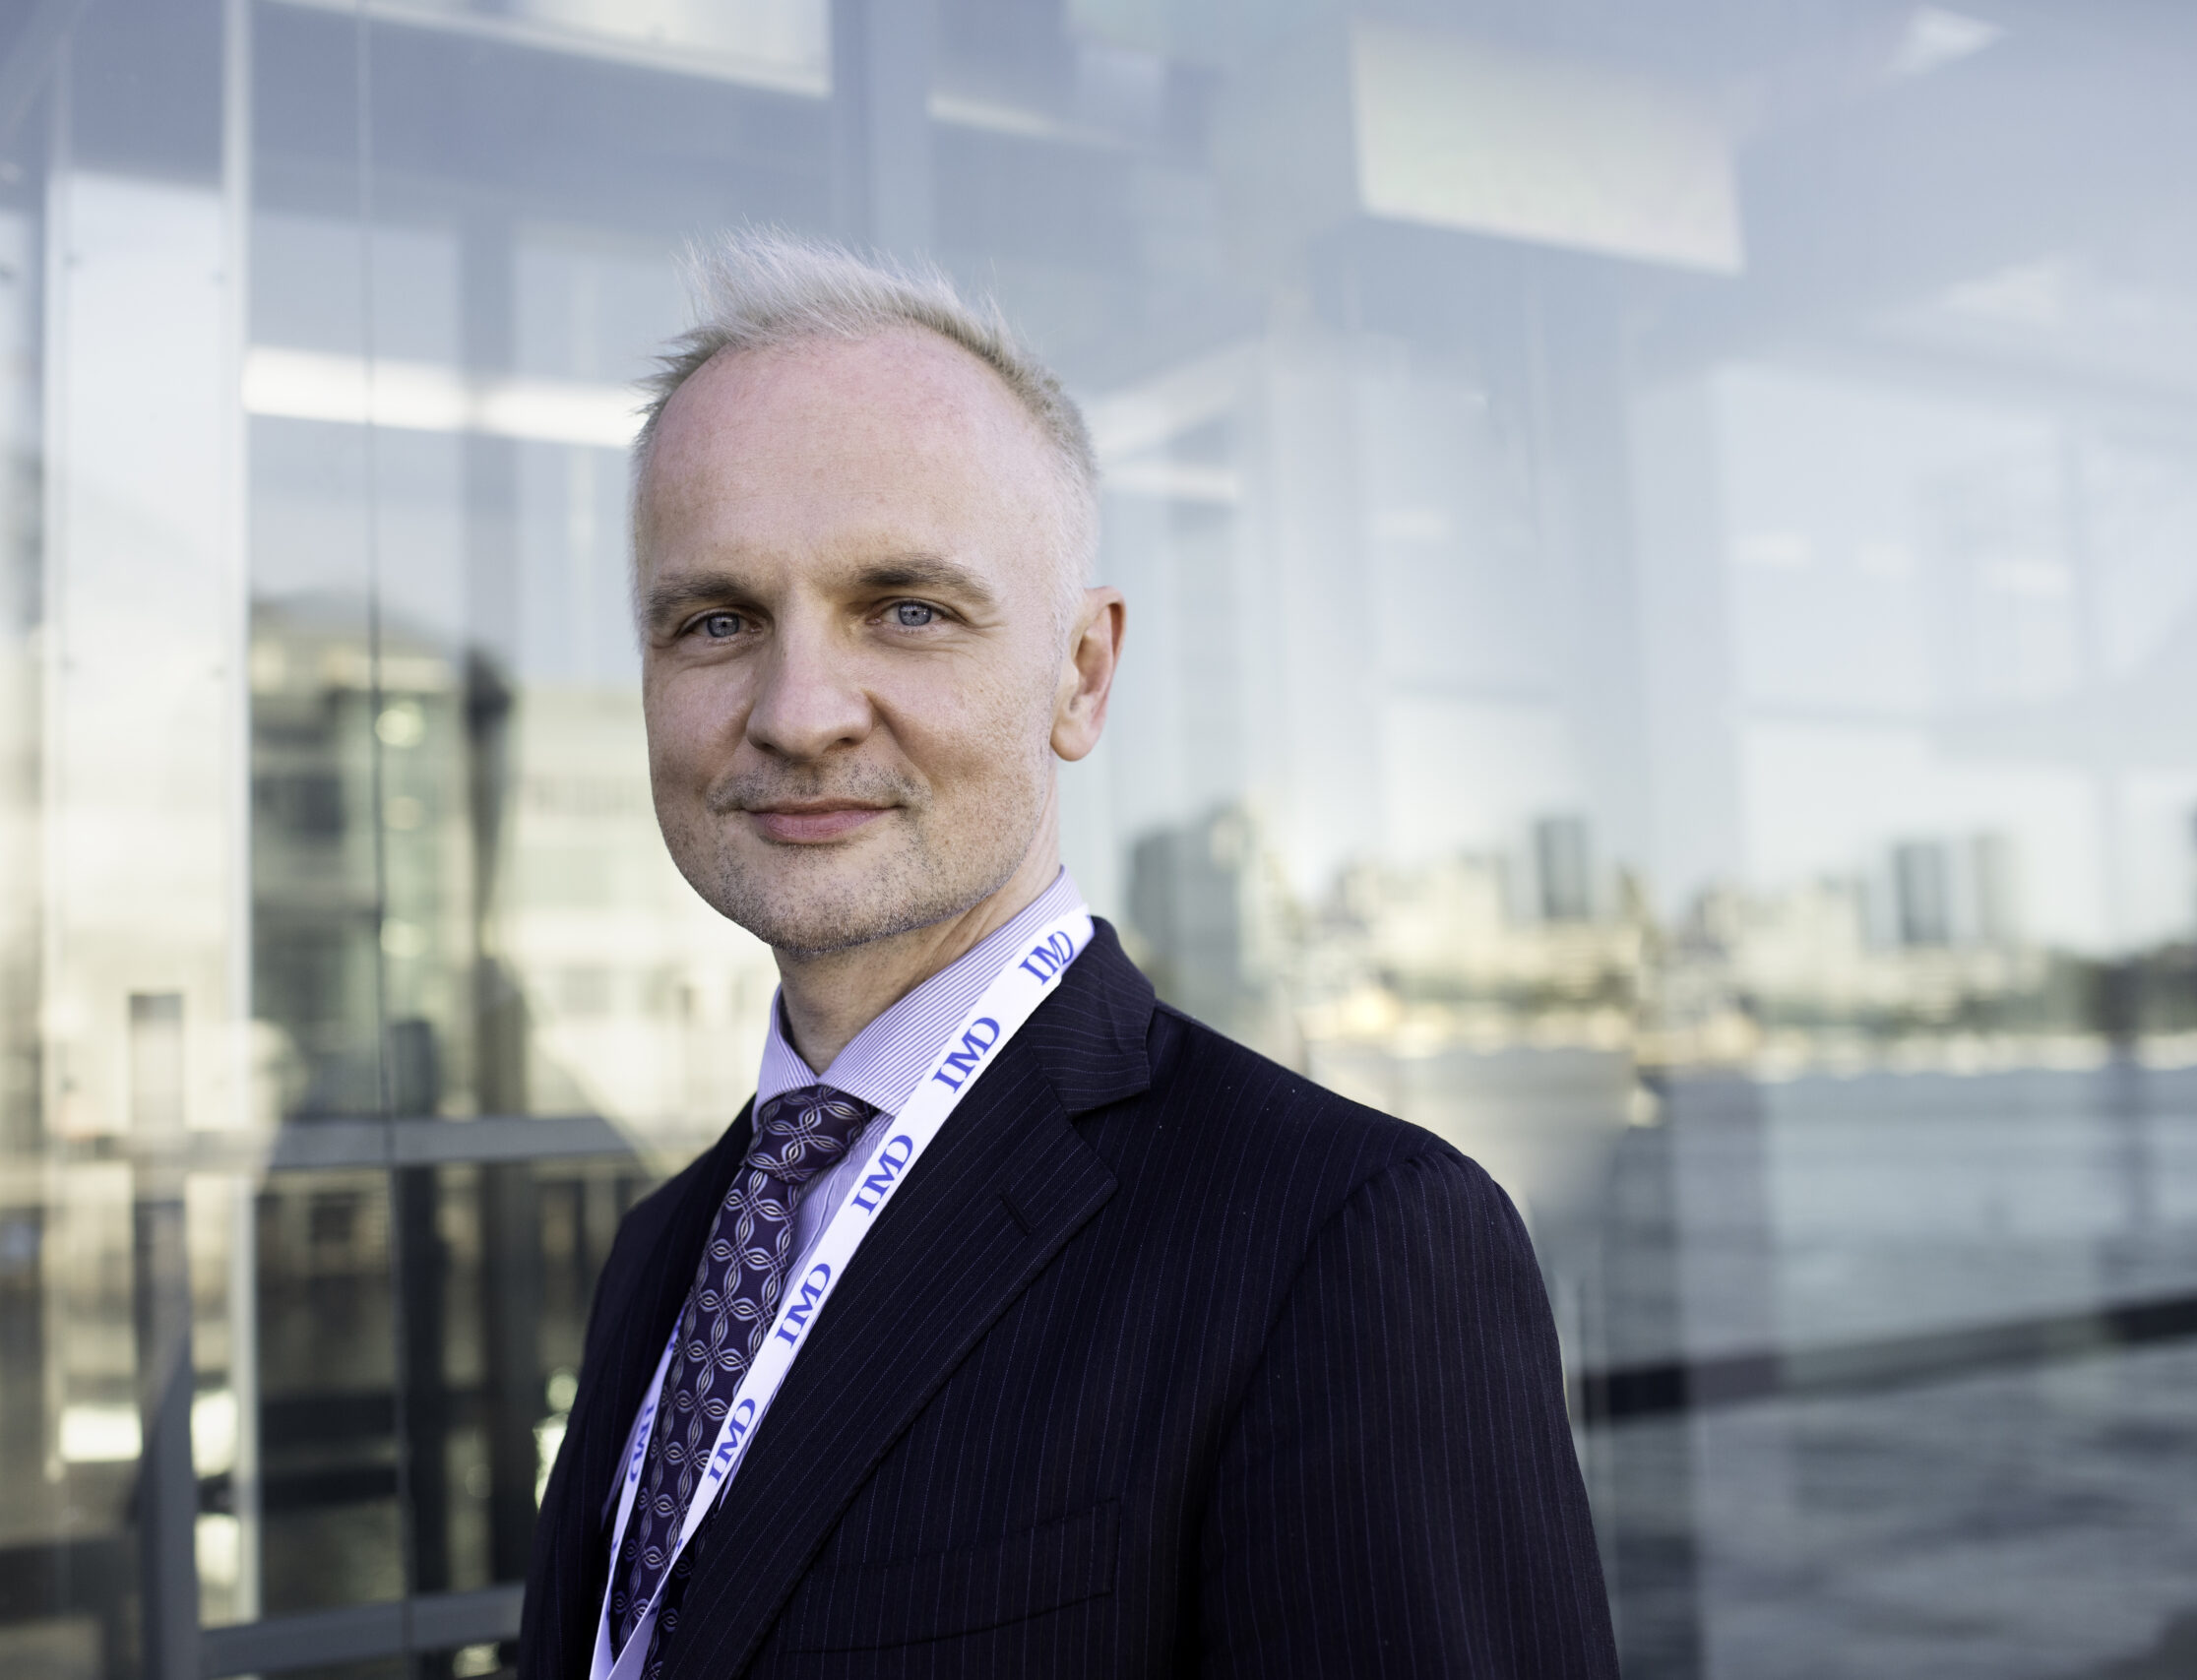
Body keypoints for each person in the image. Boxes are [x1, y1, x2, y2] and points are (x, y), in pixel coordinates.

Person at [517, 233, 1618, 1680]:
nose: (798, 712)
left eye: (904, 608)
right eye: (716, 620)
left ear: (1082, 674)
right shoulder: (671, 1248)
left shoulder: (1346, 1245)